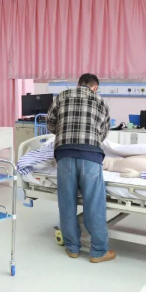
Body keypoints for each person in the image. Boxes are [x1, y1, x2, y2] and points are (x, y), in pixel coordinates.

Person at [46, 73, 115, 264]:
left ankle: (72, 248)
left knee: (66, 203)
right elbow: (103, 132)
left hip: (65, 154)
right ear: (95, 87)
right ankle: (98, 251)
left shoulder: (62, 96)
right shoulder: (101, 101)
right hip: (90, 155)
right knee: (94, 204)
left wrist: (65, 132)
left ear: (78, 84)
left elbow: (50, 123)